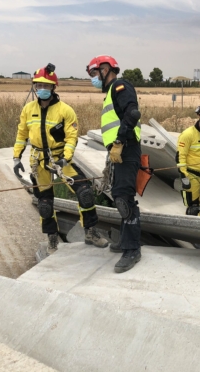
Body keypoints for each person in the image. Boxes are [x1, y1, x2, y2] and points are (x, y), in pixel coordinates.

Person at [13, 64, 108, 255]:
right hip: (38, 161)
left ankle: (90, 232)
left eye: (46, 86)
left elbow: (72, 137)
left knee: (85, 192)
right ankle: (52, 238)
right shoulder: (28, 110)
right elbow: (22, 134)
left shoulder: (66, 111)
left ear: (53, 88)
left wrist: (65, 158)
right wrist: (16, 157)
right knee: (45, 204)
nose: (42, 90)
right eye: (39, 85)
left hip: (59, 159)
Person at [86, 55, 142, 273]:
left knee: (123, 199)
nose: (93, 79)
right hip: (119, 151)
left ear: (105, 69)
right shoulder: (111, 92)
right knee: (121, 195)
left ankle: (132, 249)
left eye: (94, 74)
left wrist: (119, 140)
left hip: (126, 148)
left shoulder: (120, 86)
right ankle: (127, 241)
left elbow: (132, 113)